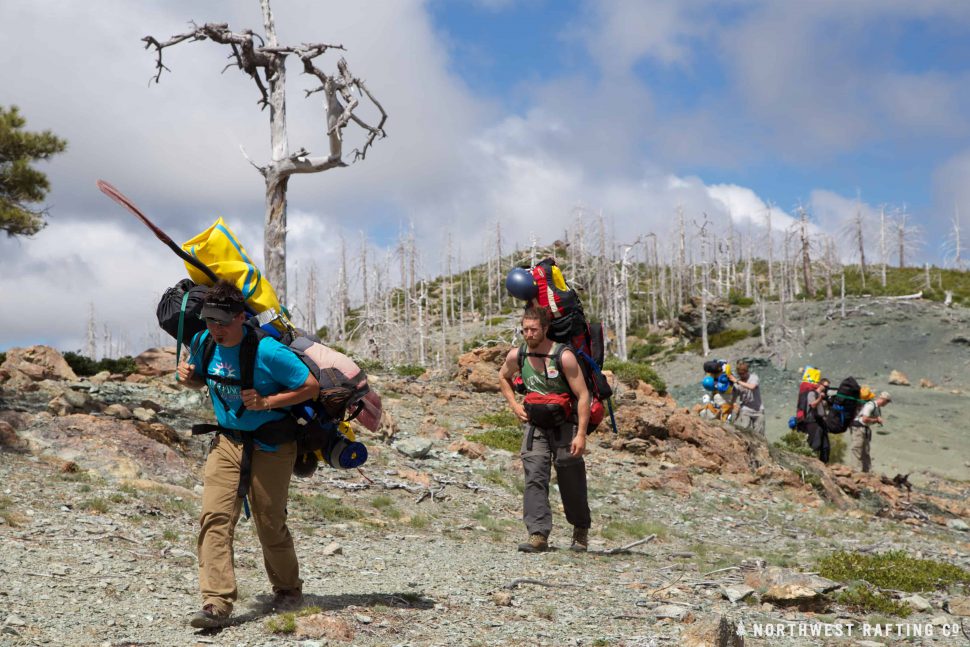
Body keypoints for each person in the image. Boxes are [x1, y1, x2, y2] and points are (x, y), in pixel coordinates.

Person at [177, 281, 320, 628]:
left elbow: (311, 386)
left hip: (272, 445)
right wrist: (188, 378)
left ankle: (288, 589)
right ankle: (216, 603)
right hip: (227, 442)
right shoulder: (203, 342)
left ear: (242, 317)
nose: (217, 329)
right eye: (210, 322)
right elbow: (204, 379)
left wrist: (268, 401)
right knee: (214, 518)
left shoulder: (268, 351)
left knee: (269, 523)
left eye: (223, 322)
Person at [498, 306, 592, 553]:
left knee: (571, 479)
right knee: (534, 477)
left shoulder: (563, 356)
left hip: (565, 424)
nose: (529, 334)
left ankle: (580, 531)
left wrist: (581, 434)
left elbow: (583, 395)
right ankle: (538, 534)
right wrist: (513, 405)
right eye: (525, 329)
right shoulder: (517, 355)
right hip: (535, 424)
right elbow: (503, 377)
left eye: (534, 329)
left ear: (545, 329)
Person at [849, 391, 891, 473]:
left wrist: (877, 420)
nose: (887, 403)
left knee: (866, 450)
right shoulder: (870, 405)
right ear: (883, 399)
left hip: (865, 428)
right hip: (858, 427)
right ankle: (856, 470)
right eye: (887, 401)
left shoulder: (877, 408)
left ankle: (866, 471)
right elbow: (864, 419)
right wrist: (876, 420)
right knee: (857, 448)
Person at [728, 361, 765, 436]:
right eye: (740, 374)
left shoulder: (753, 377)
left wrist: (737, 381)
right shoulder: (738, 383)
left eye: (743, 373)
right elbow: (734, 398)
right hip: (745, 410)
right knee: (744, 430)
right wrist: (730, 408)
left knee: (759, 434)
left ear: (746, 371)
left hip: (758, 409)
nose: (741, 375)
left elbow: (752, 387)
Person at [804, 378, 831, 462]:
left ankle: (824, 465)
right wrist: (820, 398)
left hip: (822, 422)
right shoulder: (812, 393)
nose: (826, 389)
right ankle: (811, 463)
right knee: (815, 444)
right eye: (825, 386)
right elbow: (812, 405)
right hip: (813, 422)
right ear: (820, 384)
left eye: (828, 387)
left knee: (825, 447)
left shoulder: (825, 397)